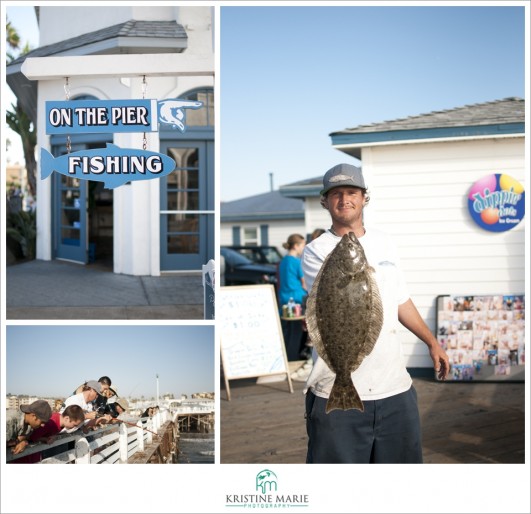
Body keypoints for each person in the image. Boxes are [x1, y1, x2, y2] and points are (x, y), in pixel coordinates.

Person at [302, 163, 450, 464]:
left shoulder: (385, 242)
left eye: (352, 192)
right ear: (325, 201)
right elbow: (331, 305)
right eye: (336, 194)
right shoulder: (316, 250)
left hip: (394, 389)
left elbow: (399, 300)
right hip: (334, 389)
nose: (345, 199)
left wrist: (431, 342)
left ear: (364, 197)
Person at [9, 405, 85, 463]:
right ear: (67, 419)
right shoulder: (51, 423)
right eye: (74, 425)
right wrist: (44, 439)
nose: (74, 427)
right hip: (24, 455)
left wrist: (52, 437)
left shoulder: (58, 420)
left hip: (32, 454)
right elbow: (30, 436)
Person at [278, 234, 308, 361]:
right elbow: (304, 283)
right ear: (296, 246)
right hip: (296, 300)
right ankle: (292, 360)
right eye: (302, 245)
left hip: (284, 298)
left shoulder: (283, 261)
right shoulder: (297, 262)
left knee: (286, 331)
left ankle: (284, 359)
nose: (304, 247)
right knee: (296, 332)